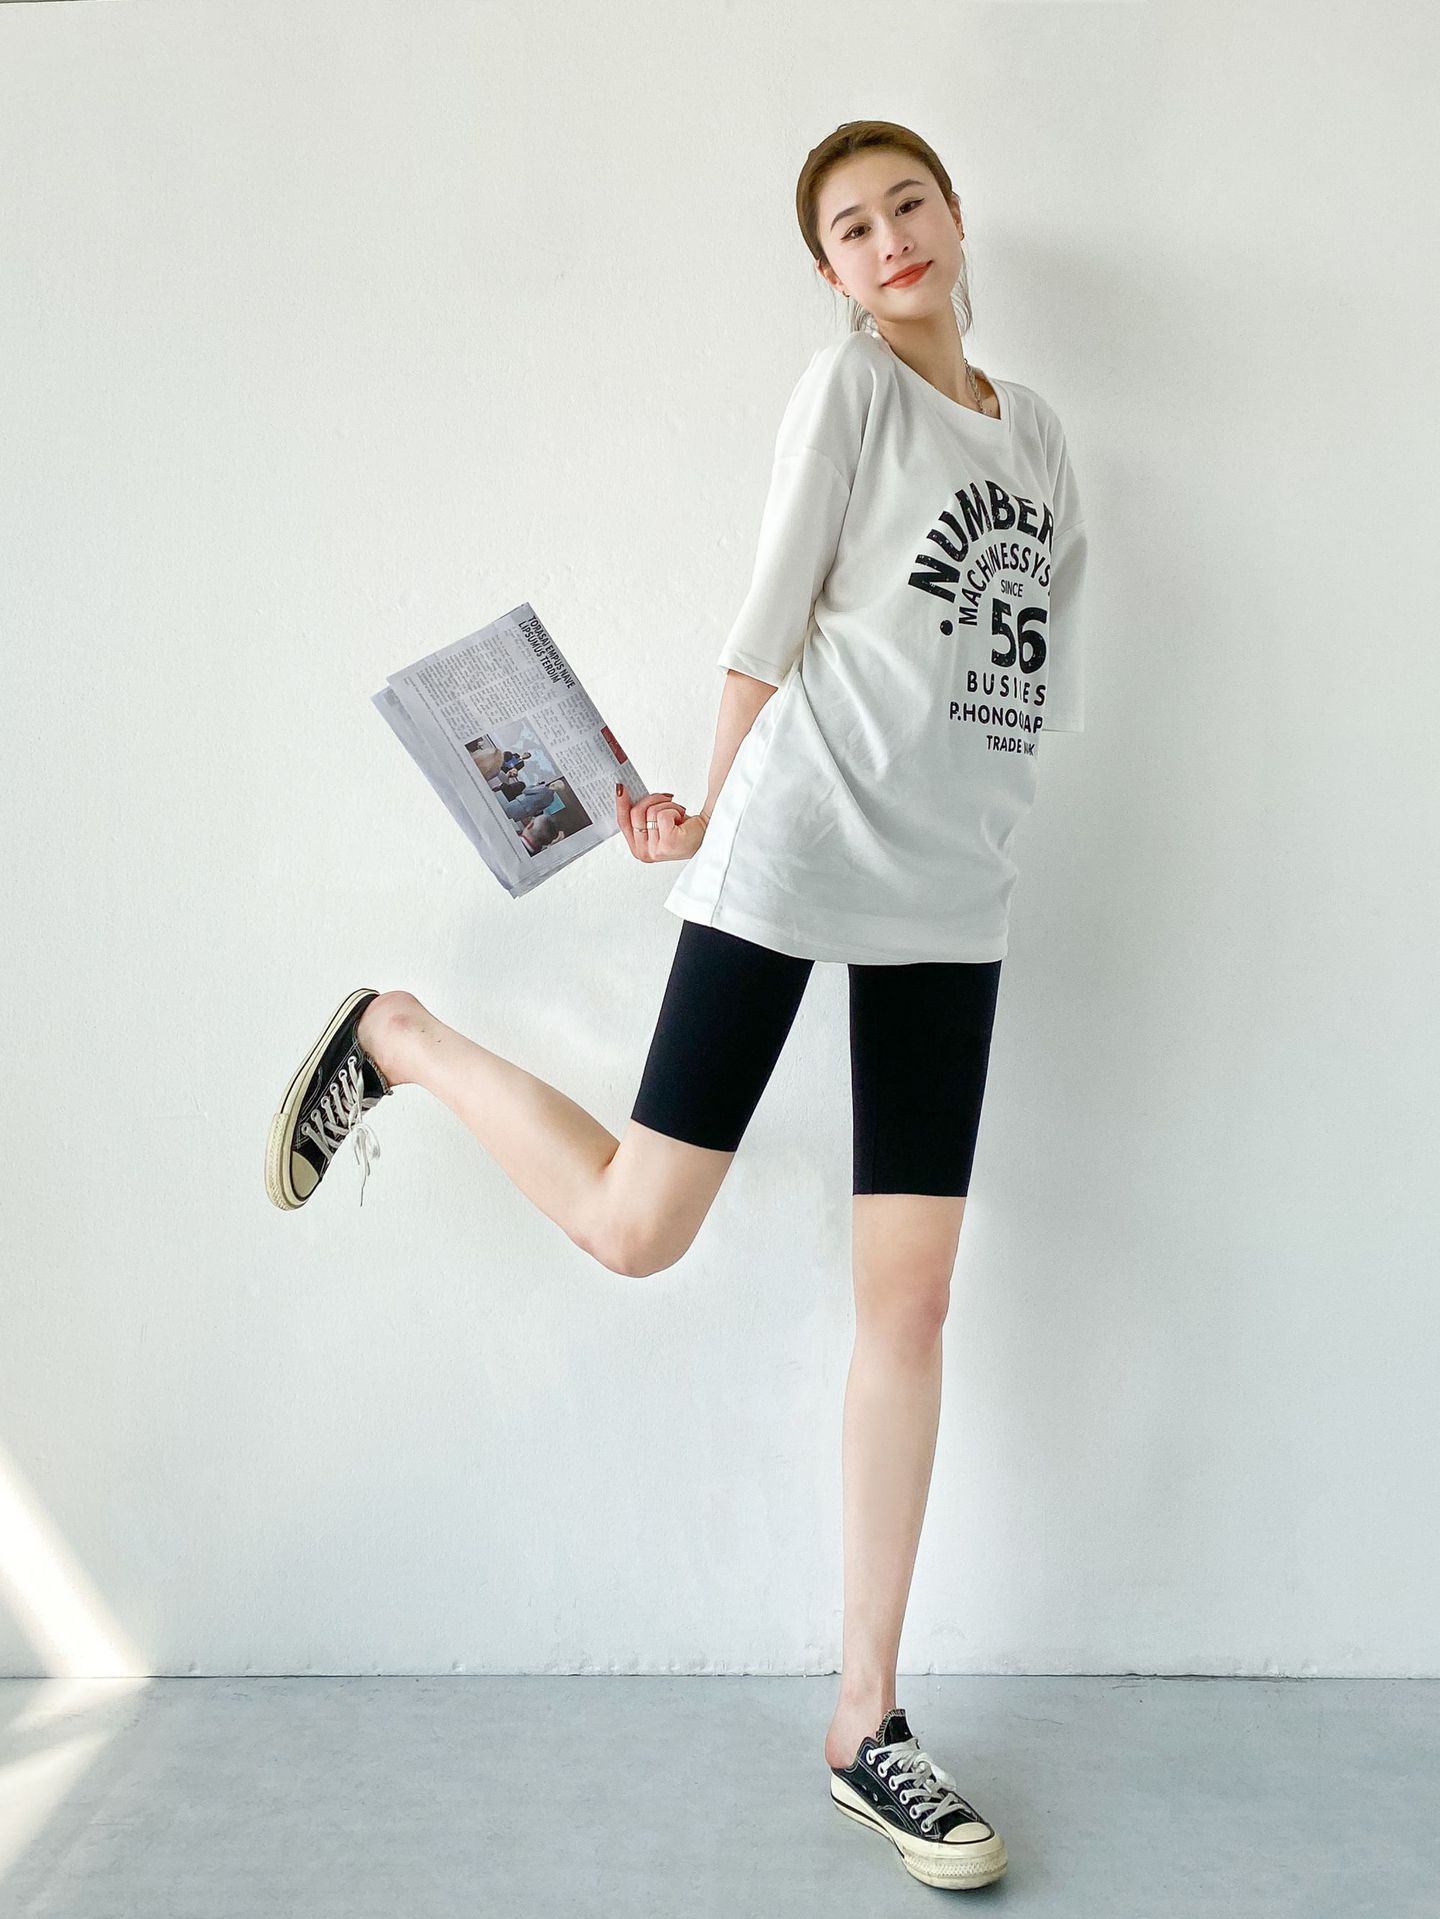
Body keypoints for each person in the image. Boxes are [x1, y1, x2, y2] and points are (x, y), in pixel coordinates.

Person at [263, 117, 1089, 1894]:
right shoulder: (850, 392)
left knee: (914, 1300)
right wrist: (711, 808)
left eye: (909, 205)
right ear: (829, 272)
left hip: (953, 895)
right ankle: (402, 1037)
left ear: (957, 217)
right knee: (642, 1229)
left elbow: (1026, 665)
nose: (889, 240)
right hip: (796, 847)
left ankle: (867, 1723)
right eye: (851, 228)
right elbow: (764, 624)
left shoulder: (1038, 437)